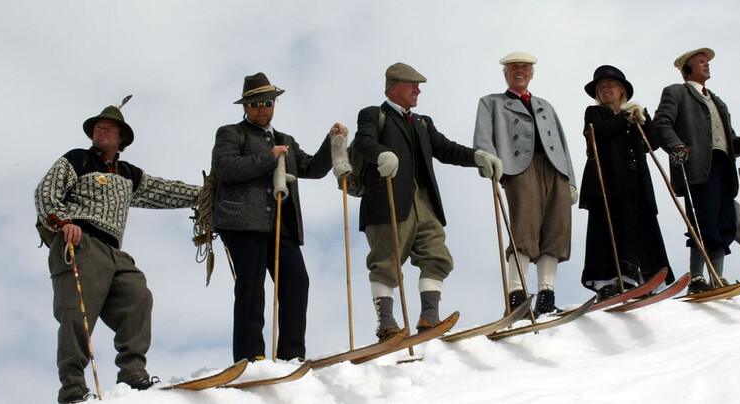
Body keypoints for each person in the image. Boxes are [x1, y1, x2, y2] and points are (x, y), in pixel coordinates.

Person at [35, 104, 201, 403]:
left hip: (113, 250)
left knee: (137, 296)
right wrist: (63, 222)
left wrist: (207, 193)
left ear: (122, 137)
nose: (102, 129)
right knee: (77, 313)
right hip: (79, 241)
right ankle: (72, 387)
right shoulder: (77, 159)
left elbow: (164, 191)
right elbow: (47, 191)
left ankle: (132, 373)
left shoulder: (127, 174)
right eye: (98, 126)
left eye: (109, 127)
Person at [352, 62, 502, 339]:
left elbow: (445, 149)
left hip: (425, 202)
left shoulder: (422, 122)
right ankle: (386, 323)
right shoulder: (373, 114)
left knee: (436, 255)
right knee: (386, 262)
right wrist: (381, 154)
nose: (418, 91)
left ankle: (429, 316)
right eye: (413, 85)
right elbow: (364, 141)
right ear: (395, 87)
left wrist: (477, 157)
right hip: (387, 201)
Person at [211, 72, 347, 362]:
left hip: (280, 224)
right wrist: (269, 158)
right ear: (245, 107)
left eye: (268, 102)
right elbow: (225, 168)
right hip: (242, 223)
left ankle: (292, 354)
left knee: (297, 281)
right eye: (256, 103)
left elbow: (312, 168)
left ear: (275, 104)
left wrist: (330, 141)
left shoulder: (285, 140)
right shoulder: (231, 133)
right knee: (251, 285)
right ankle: (250, 356)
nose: (263, 108)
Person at [473, 52, 577, 316]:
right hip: (519, 168)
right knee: (524, 228)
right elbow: (483, 137)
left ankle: (546, 295)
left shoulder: (545, 105)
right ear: (506, 73)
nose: (520, 71)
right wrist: (487, 160)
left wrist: (571, 181)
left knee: (556, 229)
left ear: (532, 73)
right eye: (514, 68)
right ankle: (517, 294)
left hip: (554, 168)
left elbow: (563, 144)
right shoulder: (492, 103)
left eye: (525, 68)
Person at [651, 48, 740, 294]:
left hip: (722, 167)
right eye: (701, 61)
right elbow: (662, 123)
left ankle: (717, 276)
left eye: (707, 62)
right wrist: (676, 146)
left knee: (724, 221)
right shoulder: (676, 92)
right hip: (696, 167)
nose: (707, 65)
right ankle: (698, 277)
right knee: (701, 221)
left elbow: (729, 141)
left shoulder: (719, 102)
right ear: (687, 68)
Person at [579, 65, 674, 299]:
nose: (605, 89)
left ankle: (646, 277)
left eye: (610, 85)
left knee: (639, 227)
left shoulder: (633, 116)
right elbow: (602, 131)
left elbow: (652, 143)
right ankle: (611, 281)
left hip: (635, 182)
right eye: (601, 87)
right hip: (607, 183)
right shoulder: (595, 113)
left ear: (622, 90)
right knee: (610, 228)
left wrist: (643, 119)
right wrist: (625, 116)